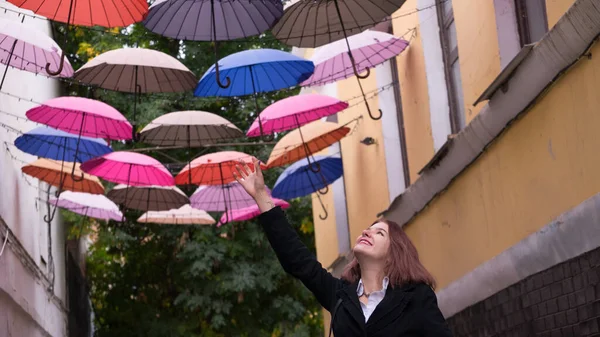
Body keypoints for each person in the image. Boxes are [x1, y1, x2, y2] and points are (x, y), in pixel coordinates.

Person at [234, 159, 453, 337]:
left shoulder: (416, 297)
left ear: (393, 254)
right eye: (368, 229)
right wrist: (261, 195)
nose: (367, 232)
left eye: (380, 233)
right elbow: (297, 259)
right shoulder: (339, 295)